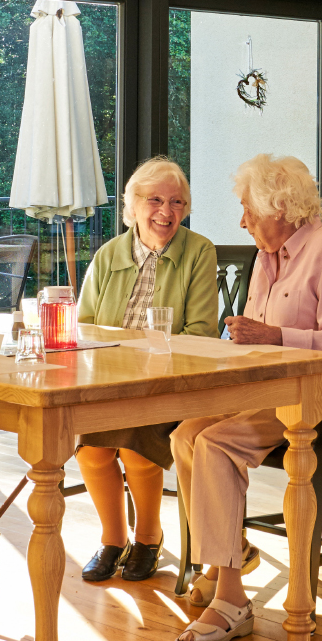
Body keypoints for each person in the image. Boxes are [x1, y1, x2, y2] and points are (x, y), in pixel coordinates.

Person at [172, 153, 322, 641]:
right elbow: (257, 340)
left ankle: (232, 601)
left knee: (216, 443)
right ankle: (228, 555)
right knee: (186, 434)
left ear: (278, 207)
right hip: (272, 394)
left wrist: (274, 335)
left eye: (247, 209)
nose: (242, 221)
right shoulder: (266, 257)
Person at [76, 156, 217, 583]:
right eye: (155, 200)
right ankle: (113, 540)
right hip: (109, 381)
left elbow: (201, 333)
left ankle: (148, 537)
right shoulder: (108, 255)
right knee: (91, 450)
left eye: (177, 202)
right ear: (133, 206)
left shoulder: (199, 252)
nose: (166, 211)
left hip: (167, 384)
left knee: (137, 448)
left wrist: (139, 354)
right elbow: (83, 326)